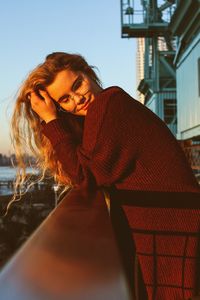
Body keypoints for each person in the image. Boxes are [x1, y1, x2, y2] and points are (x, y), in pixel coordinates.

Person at [11, 52, 200, 299]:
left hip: (173, 227)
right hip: (176, 222)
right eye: (65, 99)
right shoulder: (108, 109)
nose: (78, 99)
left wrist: (50, 119)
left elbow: (85, 176)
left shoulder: (109, 104)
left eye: (77, 85)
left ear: (88, 73)